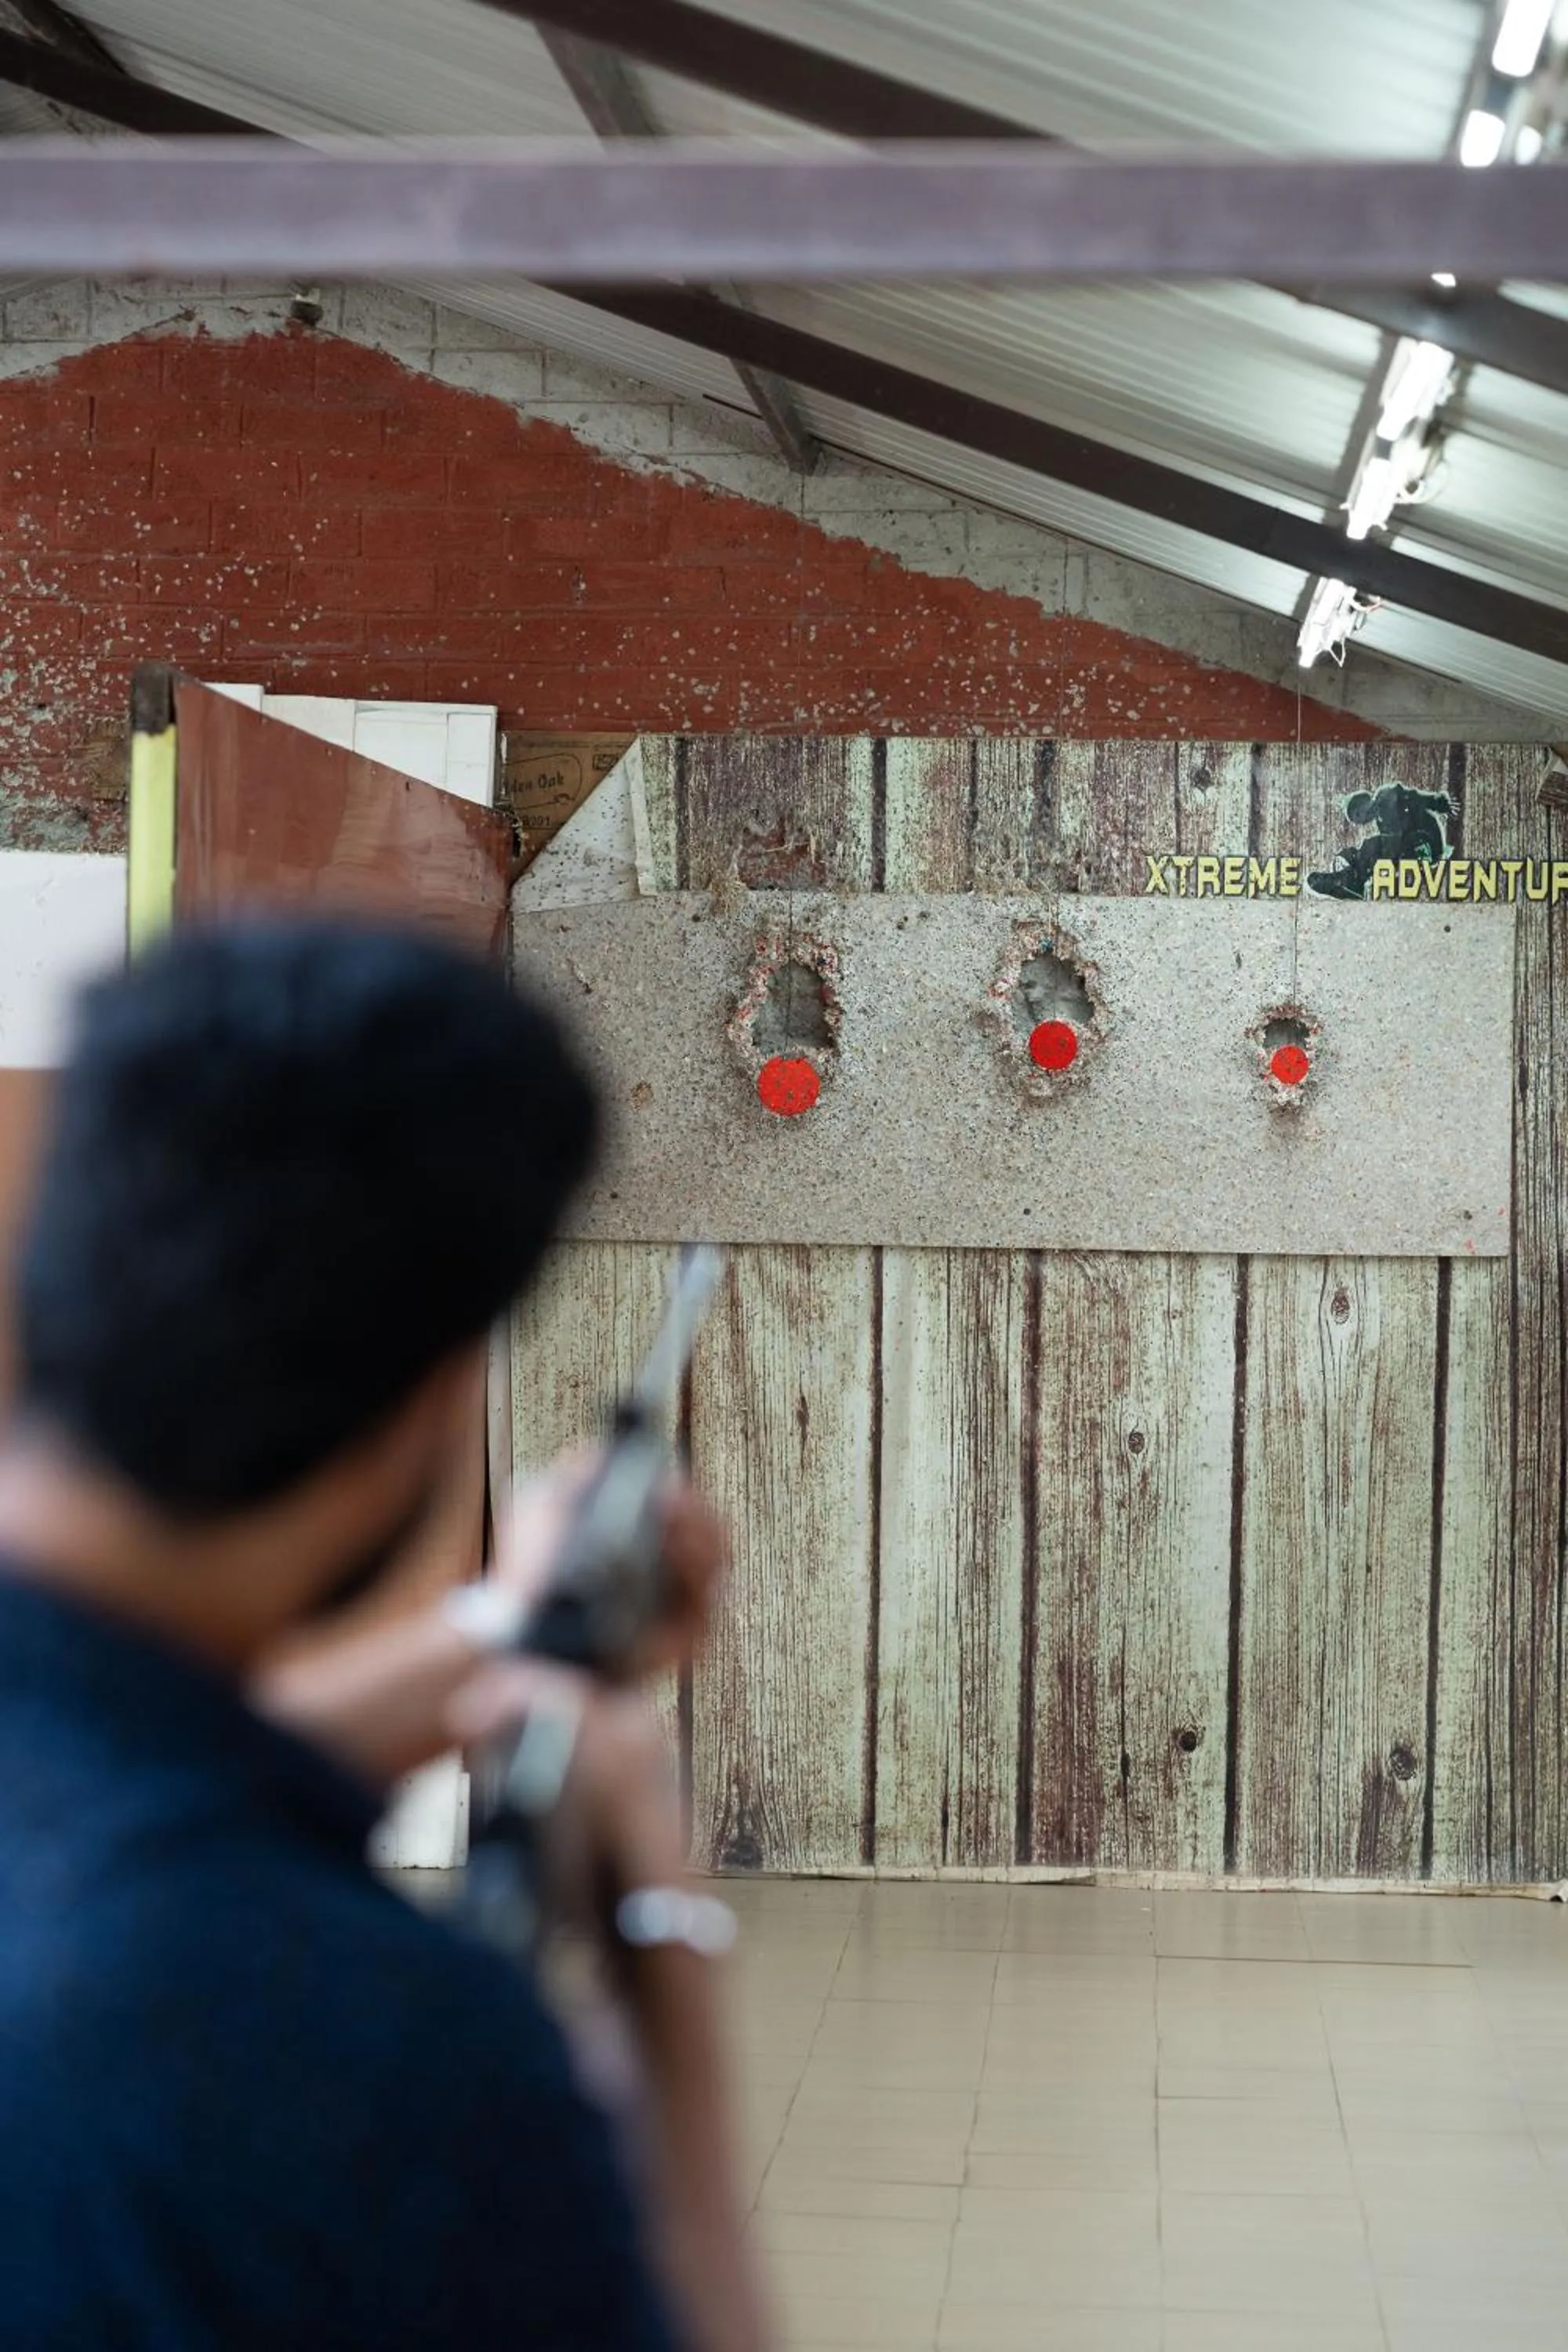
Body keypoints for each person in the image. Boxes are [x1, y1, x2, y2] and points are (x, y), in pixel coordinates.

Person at [0, 916, 768, 2352]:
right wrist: (659, 1955)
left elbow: (113, 1777)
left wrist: (506, 1626)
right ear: (429, 1403)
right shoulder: (386, 2054)